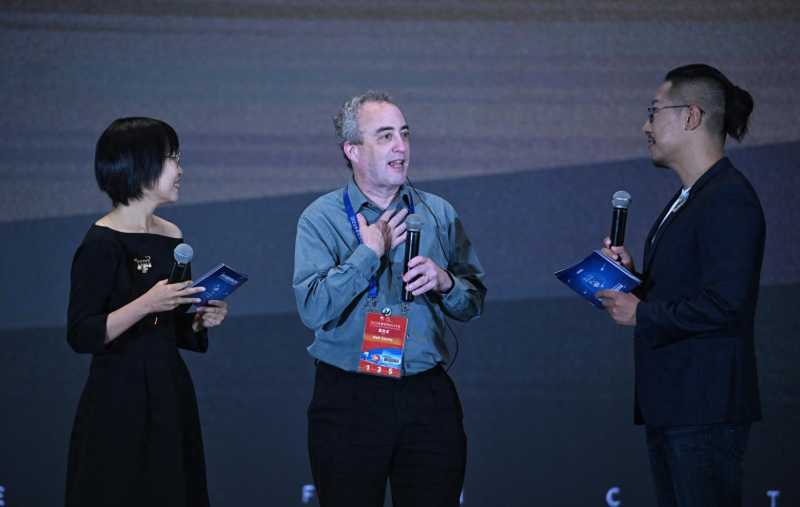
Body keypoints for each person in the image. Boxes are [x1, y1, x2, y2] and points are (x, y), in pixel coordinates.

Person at [292, 91, 486, 507]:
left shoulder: (438, 213)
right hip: (349, 398)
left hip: (426, 395)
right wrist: (368, 254)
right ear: (353, 150)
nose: (401, 147)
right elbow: (312, 308)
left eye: (404, 134)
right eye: (385, 136)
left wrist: (445, 283)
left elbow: (473, 301)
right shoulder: (321, 218)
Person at [597, 64, 765, 507]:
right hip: (675, 405)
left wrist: (642, 312)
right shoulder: (690, 196)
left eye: (653, 112)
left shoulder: (728, 197)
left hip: (704, 407)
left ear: (691, 116)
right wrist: (636, 281)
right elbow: (688, 287)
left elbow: (726, 303)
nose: (645, 126)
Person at [65, 117, 229, 507]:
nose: (180, 170)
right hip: (118, 394)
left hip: (169, 385)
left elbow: (173, 326)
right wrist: (146, 304)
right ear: (139, 164)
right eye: (172, 158)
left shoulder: (172, 236)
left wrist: (198, 319)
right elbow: (82, 333)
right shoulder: (101, 242)